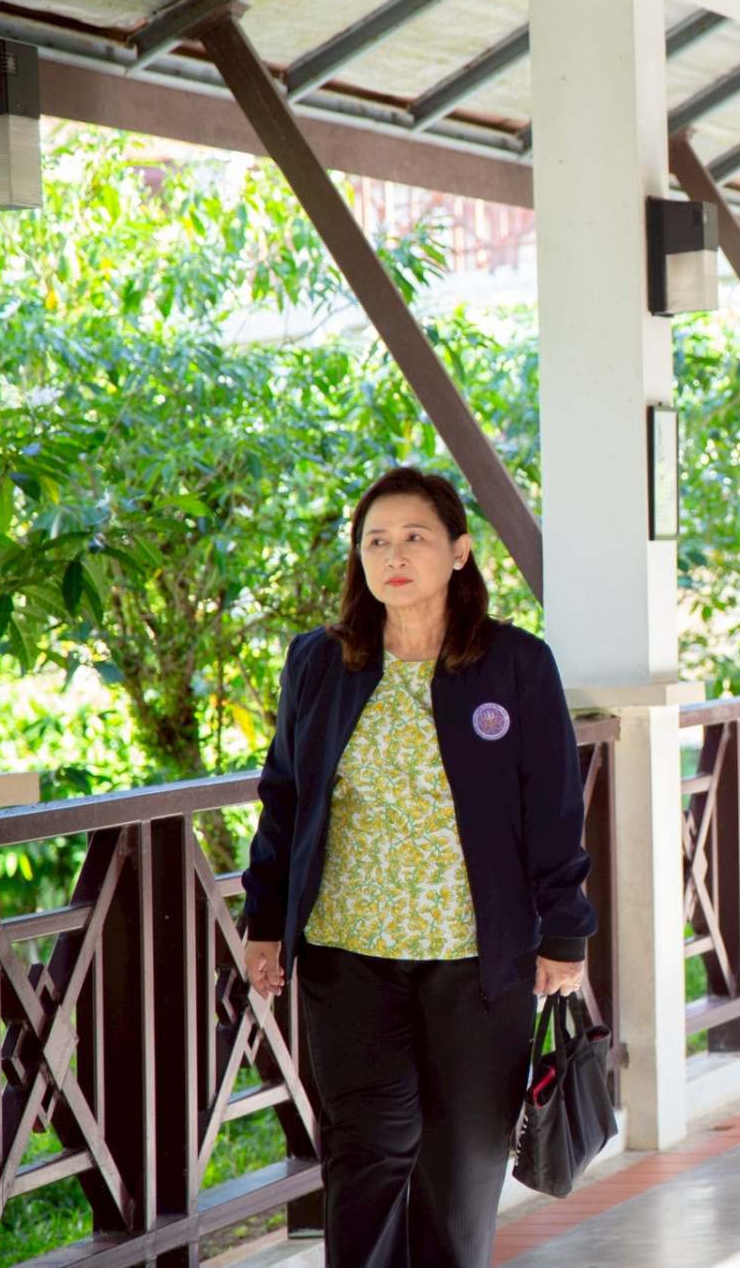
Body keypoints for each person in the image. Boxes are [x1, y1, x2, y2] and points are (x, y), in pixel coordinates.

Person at [241, 466, 597, 1268]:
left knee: (459, 1169)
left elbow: (552, 805)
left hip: (477, 960)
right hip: (347, 952)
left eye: (414, 537)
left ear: (459, 551)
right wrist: (265, 918)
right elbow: (285, 795)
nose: (393, 555)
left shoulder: (515, 663)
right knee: (364, 1155)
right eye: (376, 541)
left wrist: (565, 931)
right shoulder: (320, 661)